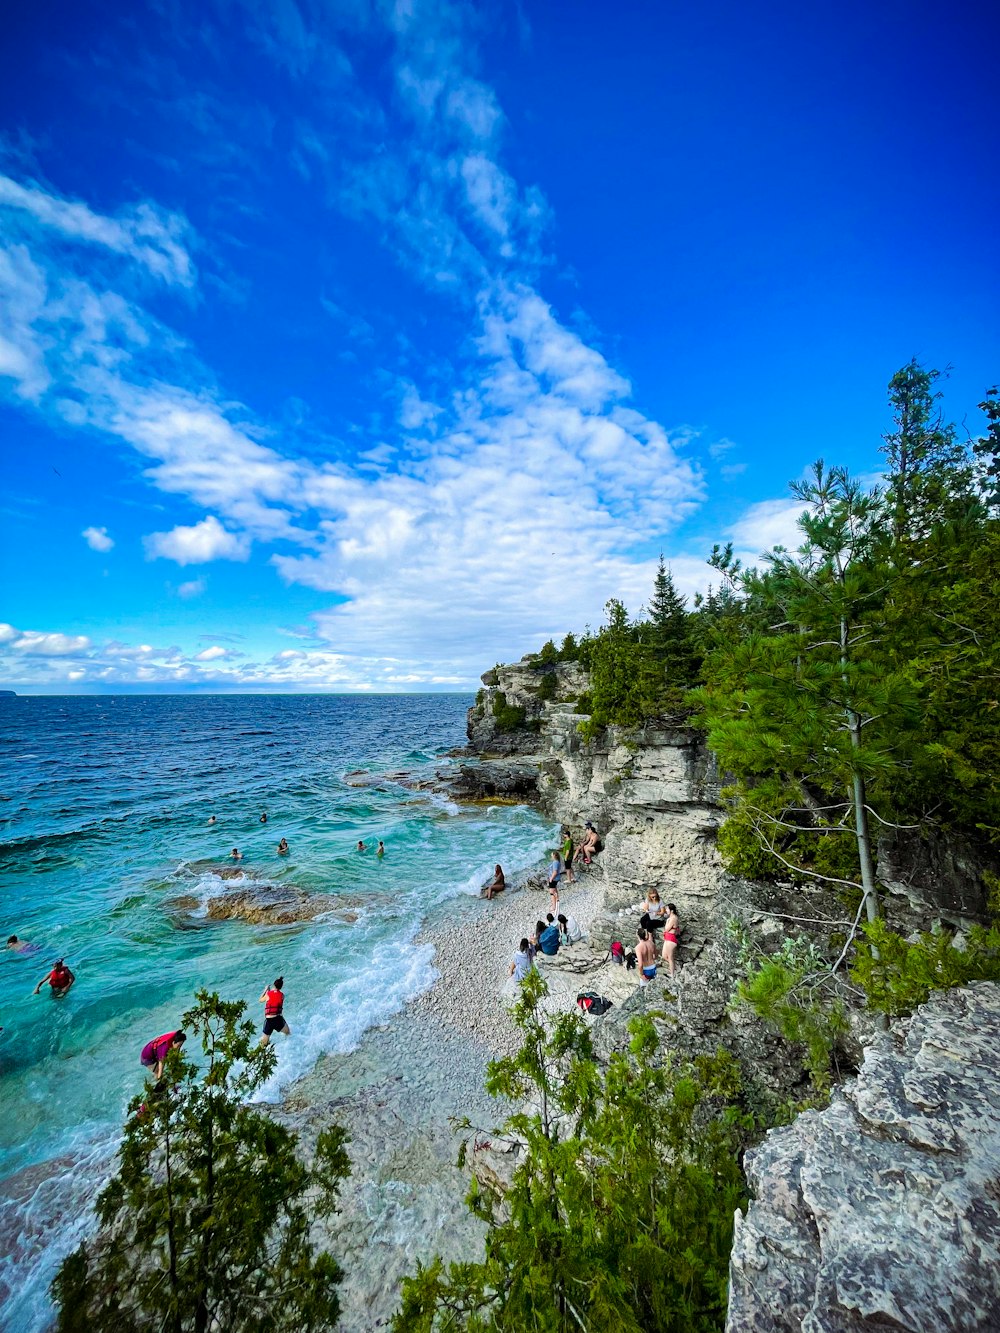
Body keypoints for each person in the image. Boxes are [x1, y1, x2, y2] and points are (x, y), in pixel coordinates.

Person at [260, 977, 291, 1047]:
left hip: (269, 1021)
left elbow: (260, 1000)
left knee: (263, 1044)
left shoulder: (268, 994)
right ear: (281, 987)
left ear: (274, 985)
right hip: (277, 1020)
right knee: (288, 1033)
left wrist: (265, 990)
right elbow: (276, 1001)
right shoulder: (282, 995)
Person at [661, 903, 680, 978]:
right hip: (667, 938)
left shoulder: (673, 918)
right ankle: (674, 969)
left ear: (671, 911)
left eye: (667, 909)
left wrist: (668, 921)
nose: (666, 910)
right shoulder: (671, 918)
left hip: (671, 939)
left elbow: (666, 929)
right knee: (664, 956)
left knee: (670, 958)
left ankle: (672, 974)